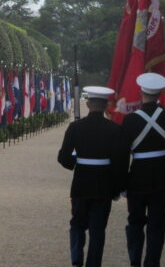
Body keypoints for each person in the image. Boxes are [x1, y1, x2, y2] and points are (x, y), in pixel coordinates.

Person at [58, 86, 126, 267]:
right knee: (97, 230)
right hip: (103, 184)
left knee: (77, 224)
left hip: (81, 183)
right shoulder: (114, 129)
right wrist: (118, 186)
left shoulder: (75, 127)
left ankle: (76, 260)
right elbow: (119, 161)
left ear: (88, 104)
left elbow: (63, 157)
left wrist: (78, 163)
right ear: (106, 106)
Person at [121, 72, 165, 267]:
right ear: (161, 93)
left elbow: (123, 156)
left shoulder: (130, 120)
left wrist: (122, 182)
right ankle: (152, 262)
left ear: (141, 92)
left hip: (137, 177)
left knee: (135, 222)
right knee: (157, 225)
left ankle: (135, 260)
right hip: (162, 177)